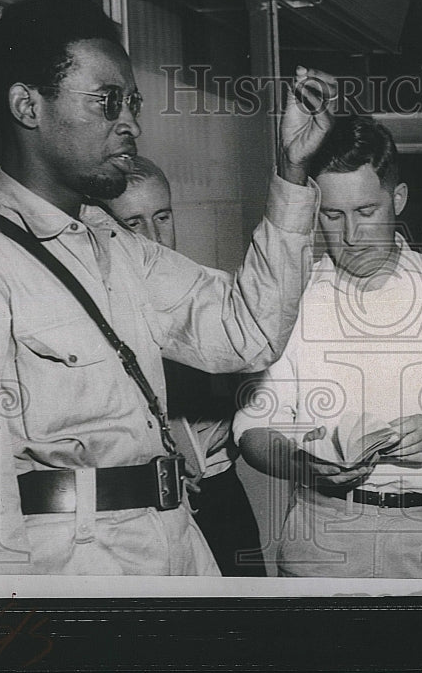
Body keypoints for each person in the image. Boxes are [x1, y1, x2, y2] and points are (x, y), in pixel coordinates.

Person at [0, 0, 336, 575]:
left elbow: (249, 333)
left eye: (132, 102)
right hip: (74, 574)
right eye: (106, 102)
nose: (131, 123)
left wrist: (292, 172)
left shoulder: (118, 247)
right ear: (27, 105)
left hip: (176, 548)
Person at [232, 115, 422, 578]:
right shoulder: (292, 300)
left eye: (366, 211)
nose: (351, 234)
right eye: (333, 215)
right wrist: (301, 464)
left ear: (399, 199)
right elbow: (253, 431)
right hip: (324, 537)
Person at [98, 156, 266, 576]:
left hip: (221, 492)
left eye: (163, 216)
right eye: (133, 224)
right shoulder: (95, 313)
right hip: (143, 509)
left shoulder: (211, 298)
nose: (154, 237)